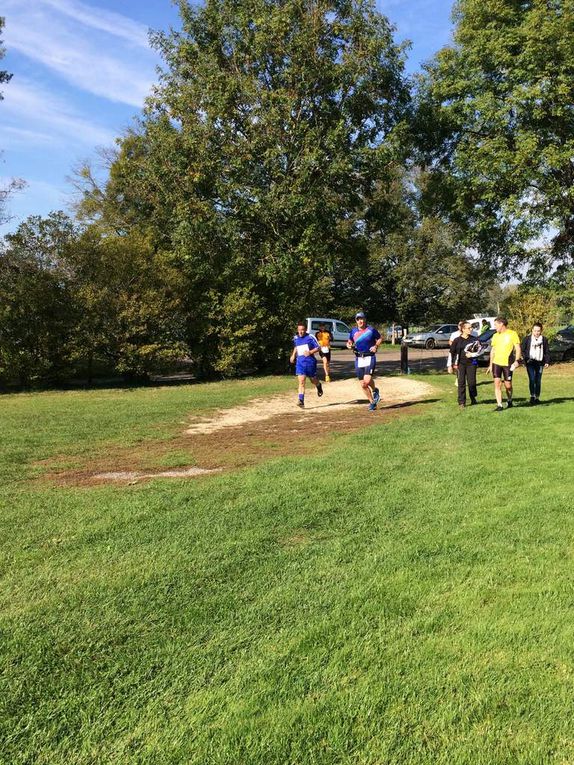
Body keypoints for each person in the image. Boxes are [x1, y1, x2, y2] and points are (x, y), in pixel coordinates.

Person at [347, 311, 382, 411]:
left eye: (362, 319)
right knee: (363, 384)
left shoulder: (371, 330)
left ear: (365, 320)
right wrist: (349, 344)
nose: (360, 321)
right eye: (358, 319)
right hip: (359, 358)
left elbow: (379, 338)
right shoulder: (353, 331)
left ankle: (375, 390)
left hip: (369, 357)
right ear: (356, 321)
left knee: (366, 381)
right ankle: (372, 402)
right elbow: (350, 341)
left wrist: (376, 346)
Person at [487, 316, 521, 411]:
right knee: (497, 384)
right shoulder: (495, 336)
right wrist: (490, 365)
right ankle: (499, 405)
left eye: (496, 324)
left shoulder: (512, 334)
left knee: (508, 385)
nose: (495, 327)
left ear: (501, 324)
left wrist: (517, 360)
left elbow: (518, 348)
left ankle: (509, 400)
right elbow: (492, 351)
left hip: (507, 364)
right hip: (496, 363)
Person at [290, 321, 323, 408]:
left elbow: (319, 348)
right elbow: (296, 346)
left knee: (313, 380)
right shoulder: (295, 338)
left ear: (306, 330)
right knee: (301, 381)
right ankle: (301, 400)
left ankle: (318, 385)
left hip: (310, 363)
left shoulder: (310, 337)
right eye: (299, 330)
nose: (301, 332)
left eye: (302, 330)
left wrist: (310, 352)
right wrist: (293, 355)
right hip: (300, 363)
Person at [450, 321, 480, 408]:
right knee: (461, 383)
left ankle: (473, 397)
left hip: (472, 363)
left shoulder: (474, 339)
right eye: (469, 328)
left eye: (471, 328)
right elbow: (451, 353)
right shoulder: (457, 340)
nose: (471, 329)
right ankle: (462, 402)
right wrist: (450, 365)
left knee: (472, 382)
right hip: (460, 364)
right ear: (463, 329)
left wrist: (472, 355)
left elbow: (479, 351)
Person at [521, 322, 550, 404]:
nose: (536, 333)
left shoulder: (544, 339)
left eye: (538, 331)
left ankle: (537, 397)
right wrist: (524, 360)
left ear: (541, 331)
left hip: (540, 362)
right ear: (532, 330)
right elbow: (522, 350)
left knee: (538, 380)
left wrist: (547, 361)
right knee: (532, 379)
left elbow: (547, 351)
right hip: (530, 362)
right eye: (535, 331)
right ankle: (532, 396)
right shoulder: (527, 339)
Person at [447, 321, 465, 385]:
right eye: (459, 325)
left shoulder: (467, 334)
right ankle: (458, 379)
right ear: (458, 326)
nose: (460, 326)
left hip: (464, 353)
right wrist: (455, 347)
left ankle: (460, 380)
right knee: (457, 367)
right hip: (456, 353)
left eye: (462, 325)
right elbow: (450, 342)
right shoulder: (454, 334)